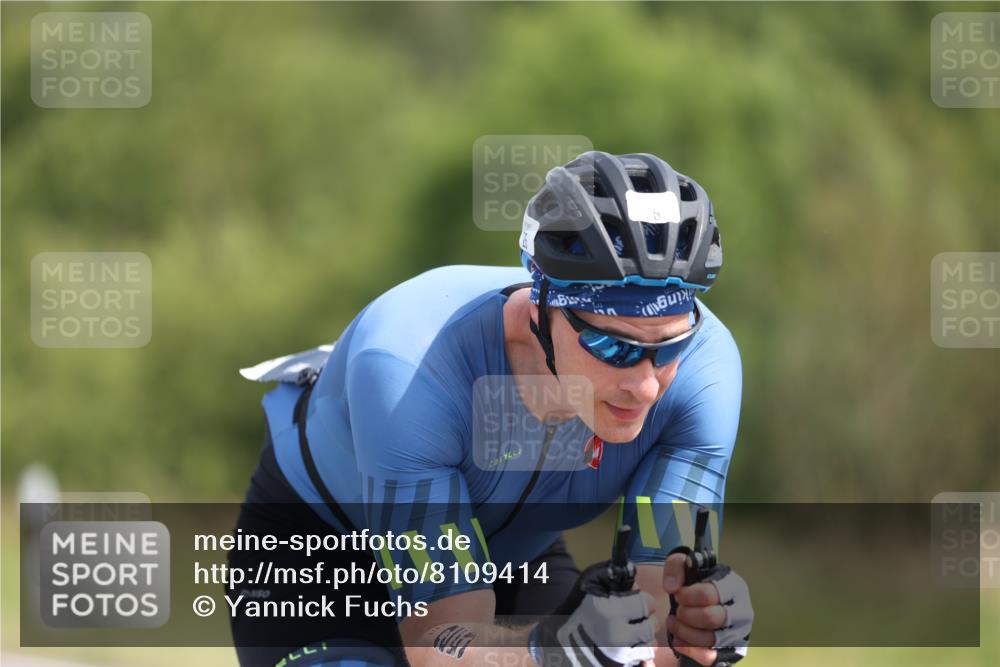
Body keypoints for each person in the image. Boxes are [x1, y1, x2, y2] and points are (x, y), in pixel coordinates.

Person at [229, 151, 753, 667]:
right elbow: (439, 647)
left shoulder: (706, 374)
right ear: (539, 309)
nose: (644, 385)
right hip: (324, 558)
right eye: (613, 347)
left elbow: (658, 615)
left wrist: (692, 637)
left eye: (668, 347)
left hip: (516, 560)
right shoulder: (410, 365)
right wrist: (554, 649)